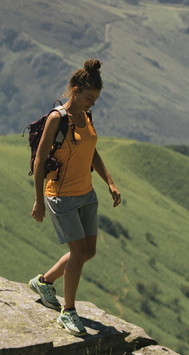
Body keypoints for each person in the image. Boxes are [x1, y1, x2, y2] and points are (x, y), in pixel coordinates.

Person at [27, 59, 122, 334]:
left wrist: (110, 183)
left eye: (96, 99)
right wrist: (37, 200)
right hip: (61, 196)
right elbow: (40, 160)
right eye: (89, 97)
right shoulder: (58, 119)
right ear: (75, 89)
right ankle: (67, 312)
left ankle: (44, 282)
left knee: (87, 252)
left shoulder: (86, 117)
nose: (92, 103)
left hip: (86, 193)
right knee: (78, 253)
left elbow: (91, 152)